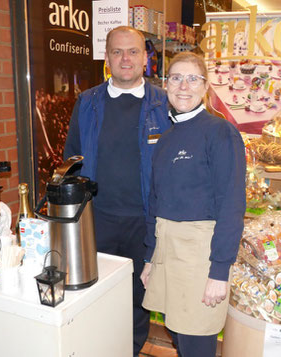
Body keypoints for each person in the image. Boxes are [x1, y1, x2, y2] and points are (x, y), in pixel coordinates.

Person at [63, 26, 171, 356]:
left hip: (145, 221)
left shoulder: (164, 104)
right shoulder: (87, 103)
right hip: (97, 218)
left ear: (145, 57)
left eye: (133, 51)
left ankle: (131, 349)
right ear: (107, 57)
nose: (126, 59)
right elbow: (72, 161)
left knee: (140, 297)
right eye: (117, 52)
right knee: (96, 291)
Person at [140, 52, 246, 357]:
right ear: (166, 85)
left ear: (205, 87)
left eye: (192, 79)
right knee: (177, 332)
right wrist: (150, 257)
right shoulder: (165, 139)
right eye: (175, 78)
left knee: (196, 341)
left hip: (201, 255)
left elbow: (232, 204)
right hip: (167, 249)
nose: (183, 86)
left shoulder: (220, 132)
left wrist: (219, 271)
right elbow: (155, 202)